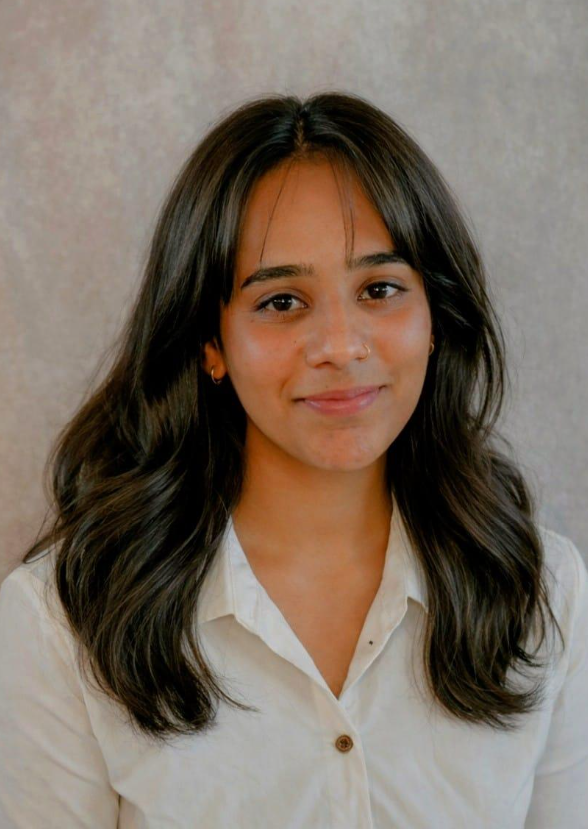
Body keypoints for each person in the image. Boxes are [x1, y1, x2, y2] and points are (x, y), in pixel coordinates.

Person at [0, 90, 586, 828]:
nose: (340, 346)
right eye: (281, 301)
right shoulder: (62, 624)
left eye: (380, 289)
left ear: (436, 318)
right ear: (210, 343)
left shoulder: (545, 591)